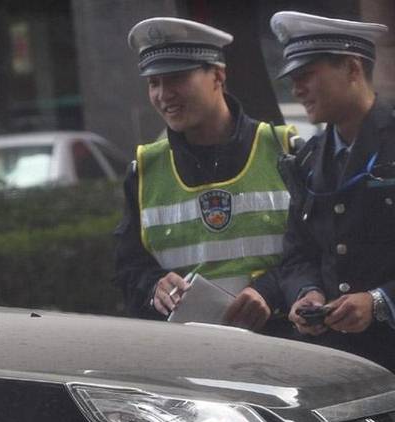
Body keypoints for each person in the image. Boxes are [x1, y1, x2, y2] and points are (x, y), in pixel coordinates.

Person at [114, 17, 296, 332]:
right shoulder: (143, 171)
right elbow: (128, 270)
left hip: (284, 344)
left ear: (218, 76)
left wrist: (270, 290)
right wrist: (153, 286)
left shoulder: (287, 152)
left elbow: (320, 253)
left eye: (176, 79)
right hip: (191, 357)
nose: (163, 94)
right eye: (153, 83)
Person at [271, 11, 395, 370]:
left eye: (306, 76)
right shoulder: (308, 159)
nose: (296, 90)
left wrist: (379, 301)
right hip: (332, 359)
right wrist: (305, 294)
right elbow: (297, 254)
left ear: (353, 68)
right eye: (292, 80)